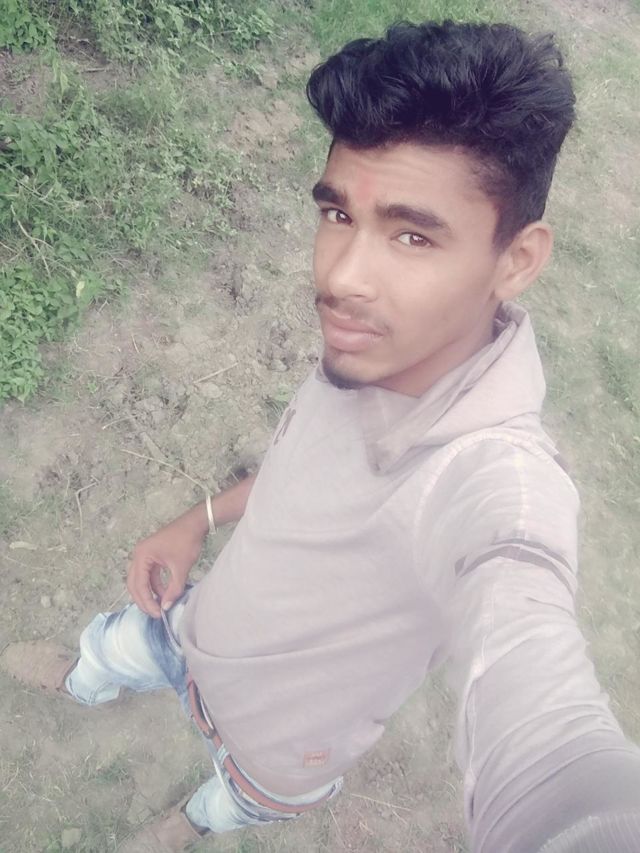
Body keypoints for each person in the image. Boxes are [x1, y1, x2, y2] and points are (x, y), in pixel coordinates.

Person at [3, 19, 640, 853]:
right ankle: (85, 678)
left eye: (413, 235)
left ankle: (192, 823)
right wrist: (201, 516)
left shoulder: (498, 479)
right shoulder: (387, 343)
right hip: (193, 624)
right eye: (338, 213)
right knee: (116, 646)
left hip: (282, 743)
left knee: (237, 801)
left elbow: (547, 721)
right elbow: (310, 461)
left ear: (516, 260)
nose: (340, 277)